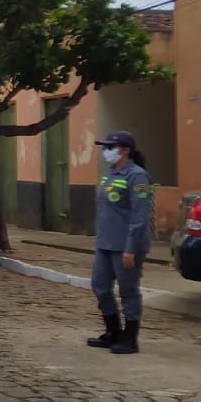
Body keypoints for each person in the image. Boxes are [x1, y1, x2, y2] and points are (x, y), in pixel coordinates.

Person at [87, 130, 153, 355]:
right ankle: (112, 331)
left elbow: (140, 216)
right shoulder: (109, 174)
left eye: (109, 147)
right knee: (100, 286)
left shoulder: (137, 176)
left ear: (125, 150)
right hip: (105, 243)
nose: (105, 151)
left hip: (126, 246)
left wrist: (130, 248)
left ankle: (130, 337)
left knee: (128, 290)